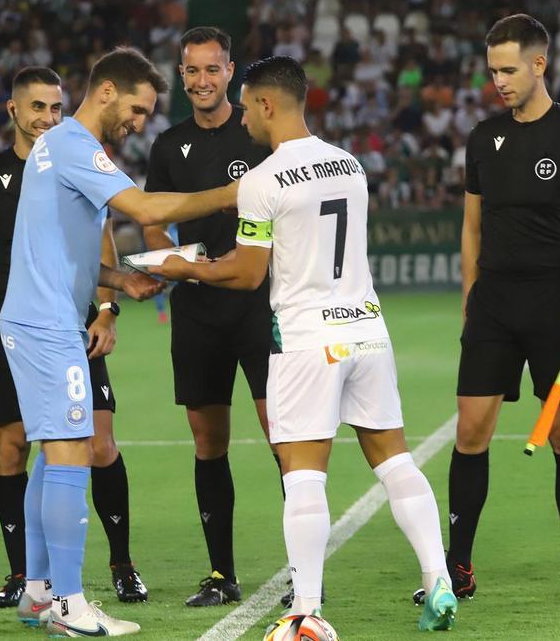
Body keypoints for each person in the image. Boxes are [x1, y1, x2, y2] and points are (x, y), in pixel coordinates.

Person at [150, 56, 458, 633]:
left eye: (245, 106)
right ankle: (436, 576)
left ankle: (307, 613)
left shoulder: (263, 182)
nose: (242, 118)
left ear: (267, 104)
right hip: (366, 329)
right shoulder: (350, 165)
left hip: (306, 339)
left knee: (303, 474)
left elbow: (245, 274)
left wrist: (183, 267)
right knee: (394, 459)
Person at [0, 46, 239, 637]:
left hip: (34, 318)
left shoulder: (60, 149)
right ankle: (72, 606)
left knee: (53, 457)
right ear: (105, 91)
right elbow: (149, 206)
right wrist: (240, 191)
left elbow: (57, 245)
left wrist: (116, 279)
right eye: (136, 108)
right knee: (73, 453)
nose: (139, 122)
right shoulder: (75, 144)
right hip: (48, 327)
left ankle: (35, 593)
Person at [0, 66, 147, 611]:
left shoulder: (75, 154)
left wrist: (108, 308)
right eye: (37, 107)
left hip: (72, 317)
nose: (48, 118)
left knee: (90, 443)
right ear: (13, 110)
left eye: (56, 108)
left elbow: (99, 241)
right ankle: (33, 582)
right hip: (24, 321)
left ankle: (112, 568)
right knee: (20, 447)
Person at [450, 14, 560, 603]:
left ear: (539, 65)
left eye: (509, 69)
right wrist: (471, 291)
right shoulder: (482, 136)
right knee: (470, 431)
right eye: (493, 69)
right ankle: (457, 570)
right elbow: (471, 226)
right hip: (494, 301)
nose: (498, 80)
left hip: (555, 301)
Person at [142, 26, 276, 606]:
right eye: (192, 71)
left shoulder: (259, 136)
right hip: (197, 308)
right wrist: (169, 257)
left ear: (231, 72)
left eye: (212, 70)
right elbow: (152, 217)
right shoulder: (169, 147)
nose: (202, 81)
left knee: (284, 438)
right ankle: (221, 574)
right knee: (207, 441)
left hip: (260, 306)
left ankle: (304, 565)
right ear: (181, 75)